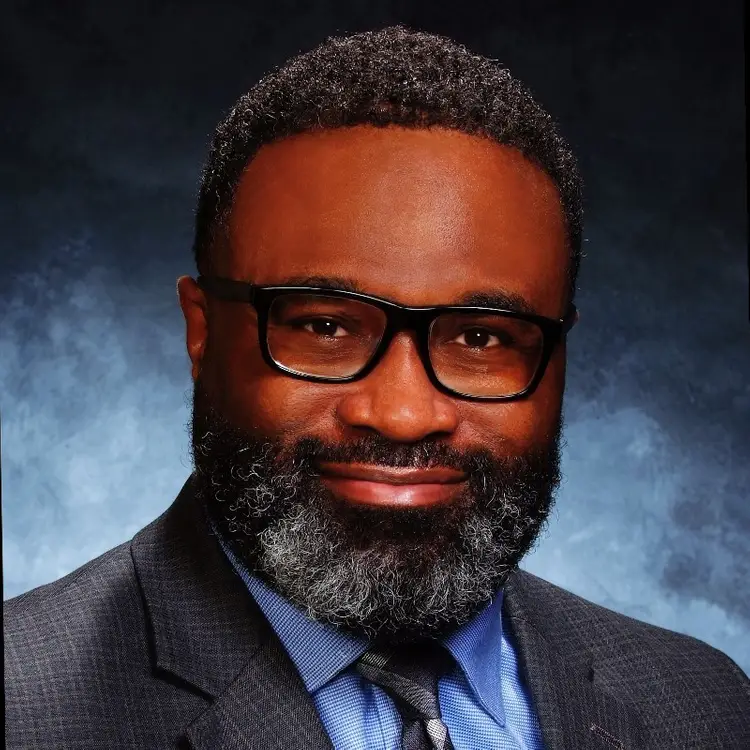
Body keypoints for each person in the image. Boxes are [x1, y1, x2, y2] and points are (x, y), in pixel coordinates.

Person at [4, 25, 748, 750]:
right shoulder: (24, 712)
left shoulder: (702, 704)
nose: (401, 414)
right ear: (201, 331)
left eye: (480, 338)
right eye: (325, 326)